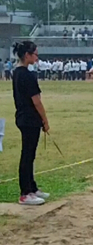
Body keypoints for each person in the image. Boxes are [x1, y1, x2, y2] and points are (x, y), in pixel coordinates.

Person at [12, 41, 50, 205]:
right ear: (27, 55)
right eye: (35, 54)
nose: (36, 57)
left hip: (24, 117)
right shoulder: (27, 75)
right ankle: (25, 192)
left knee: (30, 155)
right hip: (29, 118)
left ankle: (32, 187)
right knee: (27, 155)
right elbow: (36, 101)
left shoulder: (18, 73)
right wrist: (45, 120)